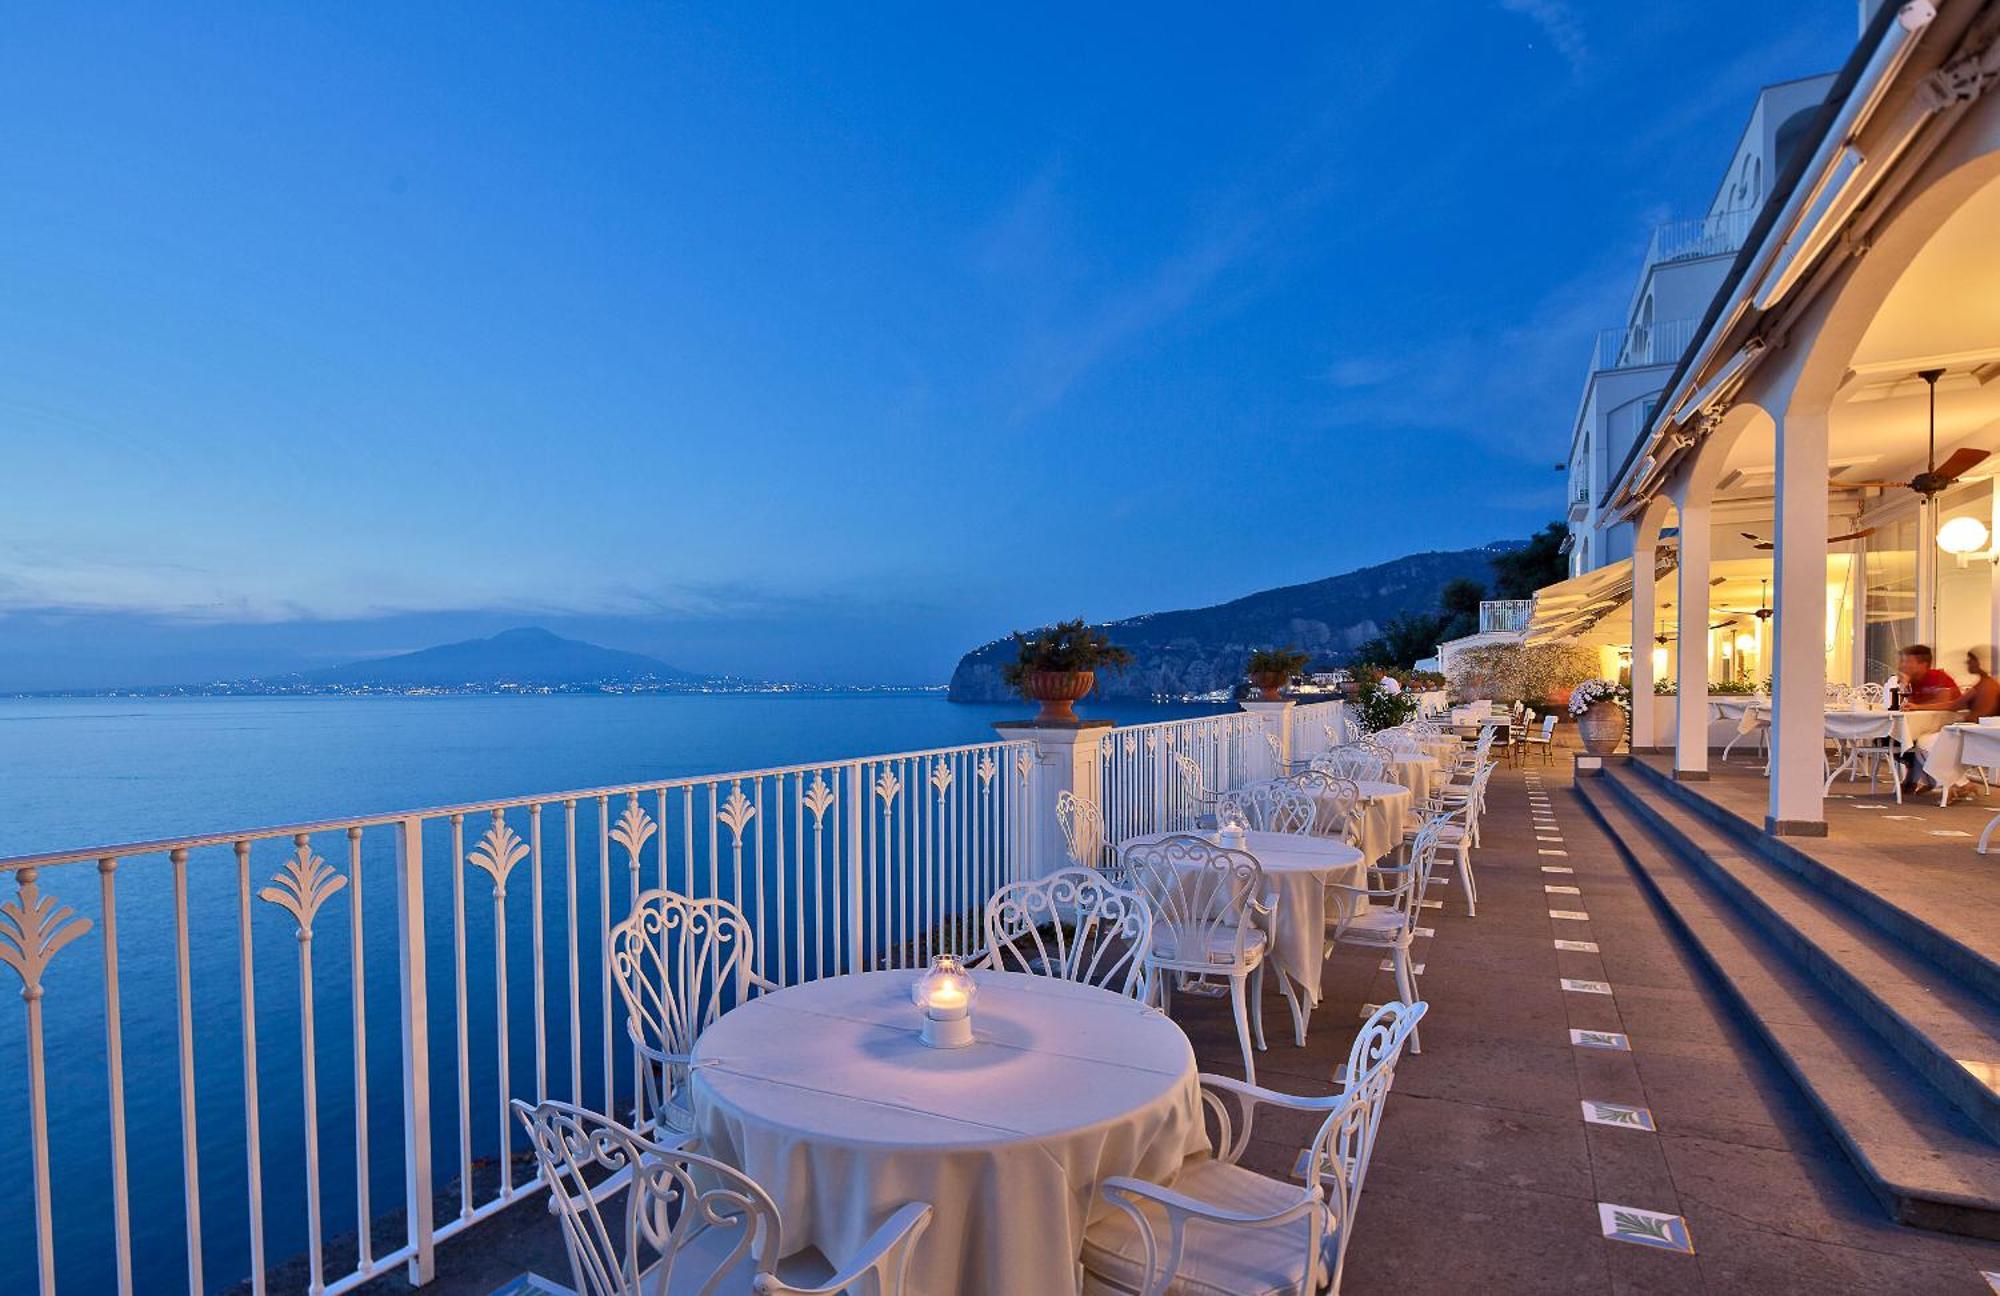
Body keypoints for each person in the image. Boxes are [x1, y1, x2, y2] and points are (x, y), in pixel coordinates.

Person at [1917, 650, 2000, 800]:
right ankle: (1960, 783)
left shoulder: (1986, 686)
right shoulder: (1987, 684)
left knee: (1924, 743)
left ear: (1980, 663)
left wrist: (1917, 707)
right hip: (1975, 733)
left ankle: (1952, 784)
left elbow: (1953, 706)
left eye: (1970, 660)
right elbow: (1955, 705)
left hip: (1974, 736)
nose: (1967, 663)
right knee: (1925, 743)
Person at [1899, 645, 1964, 794]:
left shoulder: (1938, 677)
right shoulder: (1913, 681)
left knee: (1920, 741)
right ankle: (1922, 779)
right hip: (1927, 725)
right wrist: (1905, 686)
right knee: (1894, 739)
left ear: (1923, 664)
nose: (1904, 665)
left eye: (1909, 662)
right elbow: (1907, 706)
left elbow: (1945, 704)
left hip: (1952, 725)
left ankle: (1955, 783)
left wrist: (1917, 707)